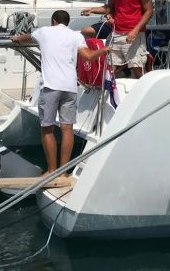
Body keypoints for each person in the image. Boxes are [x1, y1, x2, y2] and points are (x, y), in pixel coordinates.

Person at [10, 10, 104, 174]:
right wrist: (104, 50)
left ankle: (51, 170)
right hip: (70, 87)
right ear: (67, 22)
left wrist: (17, 38)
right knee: (67, 129)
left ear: (53, 21)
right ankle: (64, 172)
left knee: (47, 129)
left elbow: (27, 37)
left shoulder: (44, 31)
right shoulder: (75, 36)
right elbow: (88, 56)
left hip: (51, 87)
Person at [82, 0, 152, 78]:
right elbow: (109, 8)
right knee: (111, 67)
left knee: (137, 67)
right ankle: (112, 87)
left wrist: (136, 30)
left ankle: (145, 86)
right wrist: (92, 10)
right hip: (116, 32)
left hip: (134, 33)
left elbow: (149, 11)